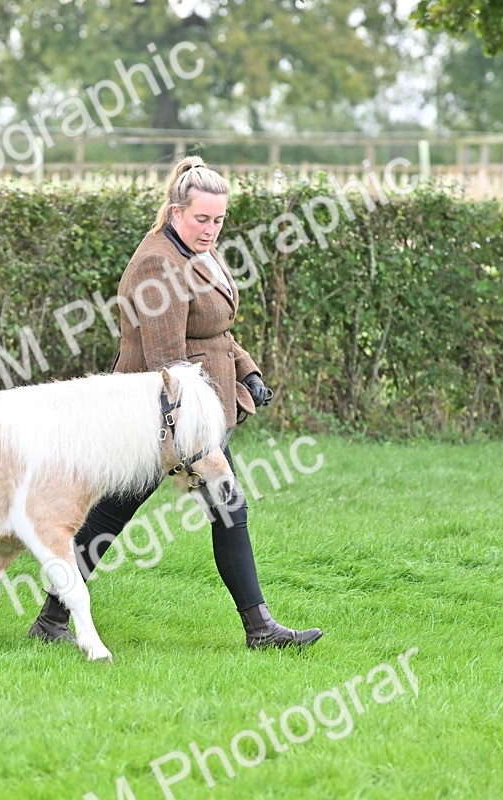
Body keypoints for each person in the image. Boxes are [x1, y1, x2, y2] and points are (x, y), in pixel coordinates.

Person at [27, 155, 322, 650]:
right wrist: (193, 437)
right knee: (227, 508)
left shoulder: (197, 251)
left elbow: (216, 330)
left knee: (109, 516)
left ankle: (51, 621)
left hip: (189, 412)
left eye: (220, 219)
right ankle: (260, 629)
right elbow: (167, 366)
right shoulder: (157, 264)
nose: (211, 229)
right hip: (163, 418)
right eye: (202, 218)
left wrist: (247, 372)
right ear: (175, 211)